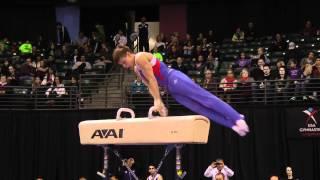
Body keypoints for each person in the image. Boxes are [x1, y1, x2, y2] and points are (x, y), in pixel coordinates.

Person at [113, 45, 249, 136]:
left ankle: (237, 117)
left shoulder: (140, 57)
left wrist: (157, 100)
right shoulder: (137, 69)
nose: (125, 66)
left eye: (124, 62)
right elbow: (150, 86)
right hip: (171, 89)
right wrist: (160, 105)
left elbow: (153, 79)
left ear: (129, 53)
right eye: (122, 65)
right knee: (200, 109)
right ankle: (231, 124)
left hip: (174, 79)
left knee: (205, 99)